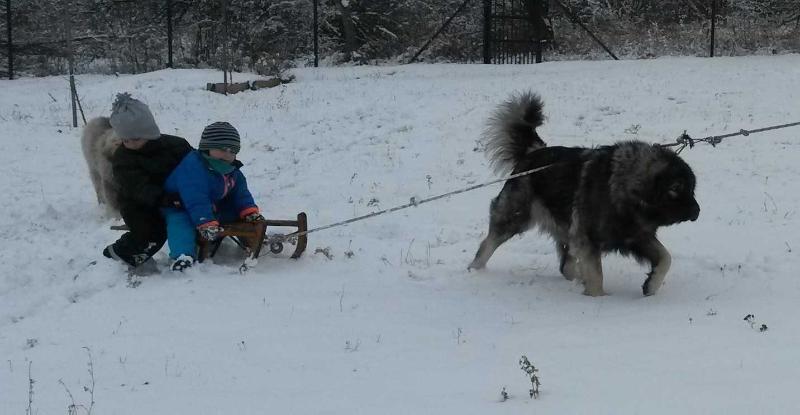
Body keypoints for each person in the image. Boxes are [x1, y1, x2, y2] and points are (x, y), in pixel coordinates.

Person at [101, 93, 193, 273]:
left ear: (149, 131)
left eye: (136, 139)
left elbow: (195, 165)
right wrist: (164, 198)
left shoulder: (176, 146)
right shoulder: (123, 158)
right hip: (138, 204)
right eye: (126, 140)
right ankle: (120, 253)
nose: (131, 144)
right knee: (152, 233)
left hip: (175, 199)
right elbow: (137, 187)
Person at [162, 122, 265, 271]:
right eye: (222, 149)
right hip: (179, 205)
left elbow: (240, 193)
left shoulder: (231, 170)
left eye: (233, 150)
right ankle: (183, 256)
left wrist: (248, 210)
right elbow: (196, 198)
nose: (227, 154)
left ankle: (251, 238)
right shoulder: (194, 167)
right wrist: (206, 221)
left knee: (237, 212)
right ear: (207, 147)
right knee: (180, 223)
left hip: (210, 205)